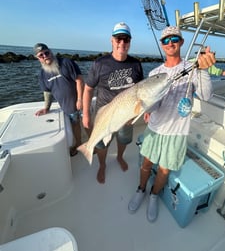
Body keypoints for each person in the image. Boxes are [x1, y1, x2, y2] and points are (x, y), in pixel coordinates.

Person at [128, 25, 216, 222]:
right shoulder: (155, 73)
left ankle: (153, 195)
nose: (170, 43)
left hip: (177, 131)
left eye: (174, 39)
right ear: (162, 45)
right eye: (166, 40)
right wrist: (146, 110)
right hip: (155, 127)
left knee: (165, 169)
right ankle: (141, 189)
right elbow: (153, 104)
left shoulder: (193, 68)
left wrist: (203, 70)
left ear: (181, 42)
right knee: (146, 163)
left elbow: (206, 95)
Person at [82, 22, 144, 184]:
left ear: (130, 41)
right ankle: (102, 165)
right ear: (112, 40)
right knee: (101, 144)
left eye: (126, 39)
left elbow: (140, 92)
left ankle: (120, 157)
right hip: (105, 114)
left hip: (126, 115)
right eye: (118, 39)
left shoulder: (136, 64)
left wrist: (136, 112)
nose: (122, 43)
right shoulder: (100, 63)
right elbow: (88, 89)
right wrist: (86, 114)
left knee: (123, 140)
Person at [34, 43, 84, 157]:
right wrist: (46, 108)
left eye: (46, 52)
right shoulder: (42, 74)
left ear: (50, 51)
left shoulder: (66, 63)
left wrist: (80, 99)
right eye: (41, 55)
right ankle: (78, 144)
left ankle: (93, 145)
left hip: (80, 101)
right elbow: (47, 92)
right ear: (37, 58)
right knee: (74, 124)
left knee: (86, 123)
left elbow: (79, 80)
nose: (45, 56)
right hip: (66, 106)